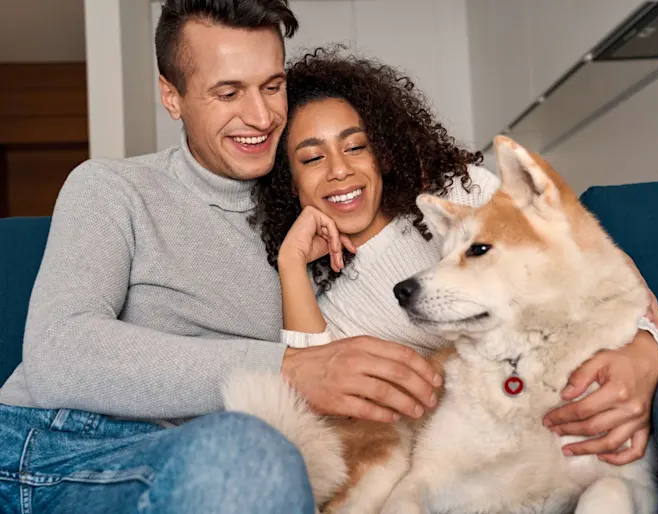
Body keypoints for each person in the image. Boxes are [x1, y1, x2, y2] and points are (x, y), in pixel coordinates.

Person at [0, 1, 435, 512]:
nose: (261, 117)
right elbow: (60, 352)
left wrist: (546, 381)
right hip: (61, 444)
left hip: (233, 461)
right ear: (171, 96)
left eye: (273, 87)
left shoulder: (316, 202)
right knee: (250, 455)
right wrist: (288, 369)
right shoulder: (114, 188)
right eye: (228, 92)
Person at [251, 47, 658, 464]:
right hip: (532, 415)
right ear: (291, 182)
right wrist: (291, 263)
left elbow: (585, 254)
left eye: (356, 147)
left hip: (624, 349)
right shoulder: (332, 307)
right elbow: (315, 401)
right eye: (312, 157)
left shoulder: (456, 192)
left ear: (382, 152)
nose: (339, 169)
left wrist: (644, 350)